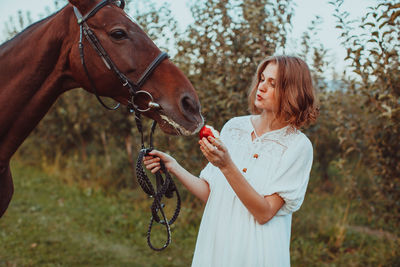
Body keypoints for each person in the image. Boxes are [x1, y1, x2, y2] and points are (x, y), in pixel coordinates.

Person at [144, 55, 318, 267]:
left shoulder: (298, 147)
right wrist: (174, 166)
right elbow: (213, 194)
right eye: (262, 79)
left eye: (272, 84)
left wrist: (227, 166)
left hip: (258, 253)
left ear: (292, 92)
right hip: (217, 243)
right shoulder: (234, 127)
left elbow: (264, 213)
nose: (261, 87)